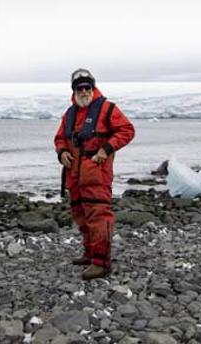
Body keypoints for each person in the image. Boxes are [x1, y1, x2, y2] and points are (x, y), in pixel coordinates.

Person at [54, 68, 135, 280]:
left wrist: (106, 149)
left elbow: (127, 130)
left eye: (87, 87)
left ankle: (101, 263)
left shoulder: (107, 109)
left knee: (99, 216)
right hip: (74, 175)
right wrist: (62, 152)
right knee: (81, 216)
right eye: (79, 88)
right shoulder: (69, 114)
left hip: (97, 174)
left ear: (93, 87)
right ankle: (90, 254)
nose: (84, 91)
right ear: (74, 90)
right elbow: (60, 138)